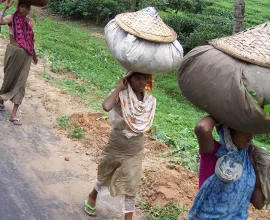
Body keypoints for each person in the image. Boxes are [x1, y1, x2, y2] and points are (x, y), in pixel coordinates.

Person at [84, 71, 156, 220]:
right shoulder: (121, 95)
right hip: (116, 143)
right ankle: (92, 195)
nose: (141, 82)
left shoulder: (148, 101)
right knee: (105, 171)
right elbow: (106, 106)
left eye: (144, 78)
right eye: (137, 78)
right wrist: (118, 88)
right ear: (128, 80)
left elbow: (144, 123)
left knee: (131, 183)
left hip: (135, 148)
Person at [188, 115, 265, 219]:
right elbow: (202, 128)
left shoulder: (250, 159)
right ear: (229, 130)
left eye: (251, 131)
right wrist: (225, 114)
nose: (250, 136)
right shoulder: (213, 151)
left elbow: (258, 204)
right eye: (244, 131)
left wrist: (261, 173)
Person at [0, 0, 38, 125]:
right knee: (8, 80)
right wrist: (4, 8)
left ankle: (13, 115)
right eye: (22, 6)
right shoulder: (11, 18)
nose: (25, 9)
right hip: (13, 52)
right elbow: (0, 22)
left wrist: (34, 55)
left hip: (26, 56)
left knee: (21, 82)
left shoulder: (30, 22)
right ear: (18, 6)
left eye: (27, 7)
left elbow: (31, 39)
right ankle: (1, 100)